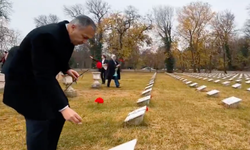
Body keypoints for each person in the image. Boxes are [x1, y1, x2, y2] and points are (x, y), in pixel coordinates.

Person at [2, 15, 96, 150]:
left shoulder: (68, 36)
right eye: (84, 37)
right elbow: (43, 74)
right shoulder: (45, 36)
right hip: (24, 82)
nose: (85, 41)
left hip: (39, 78)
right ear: (73, 27)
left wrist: (66, 68)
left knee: (58, 115)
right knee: (40, 117)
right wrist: (64, 108)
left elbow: (56, 56)